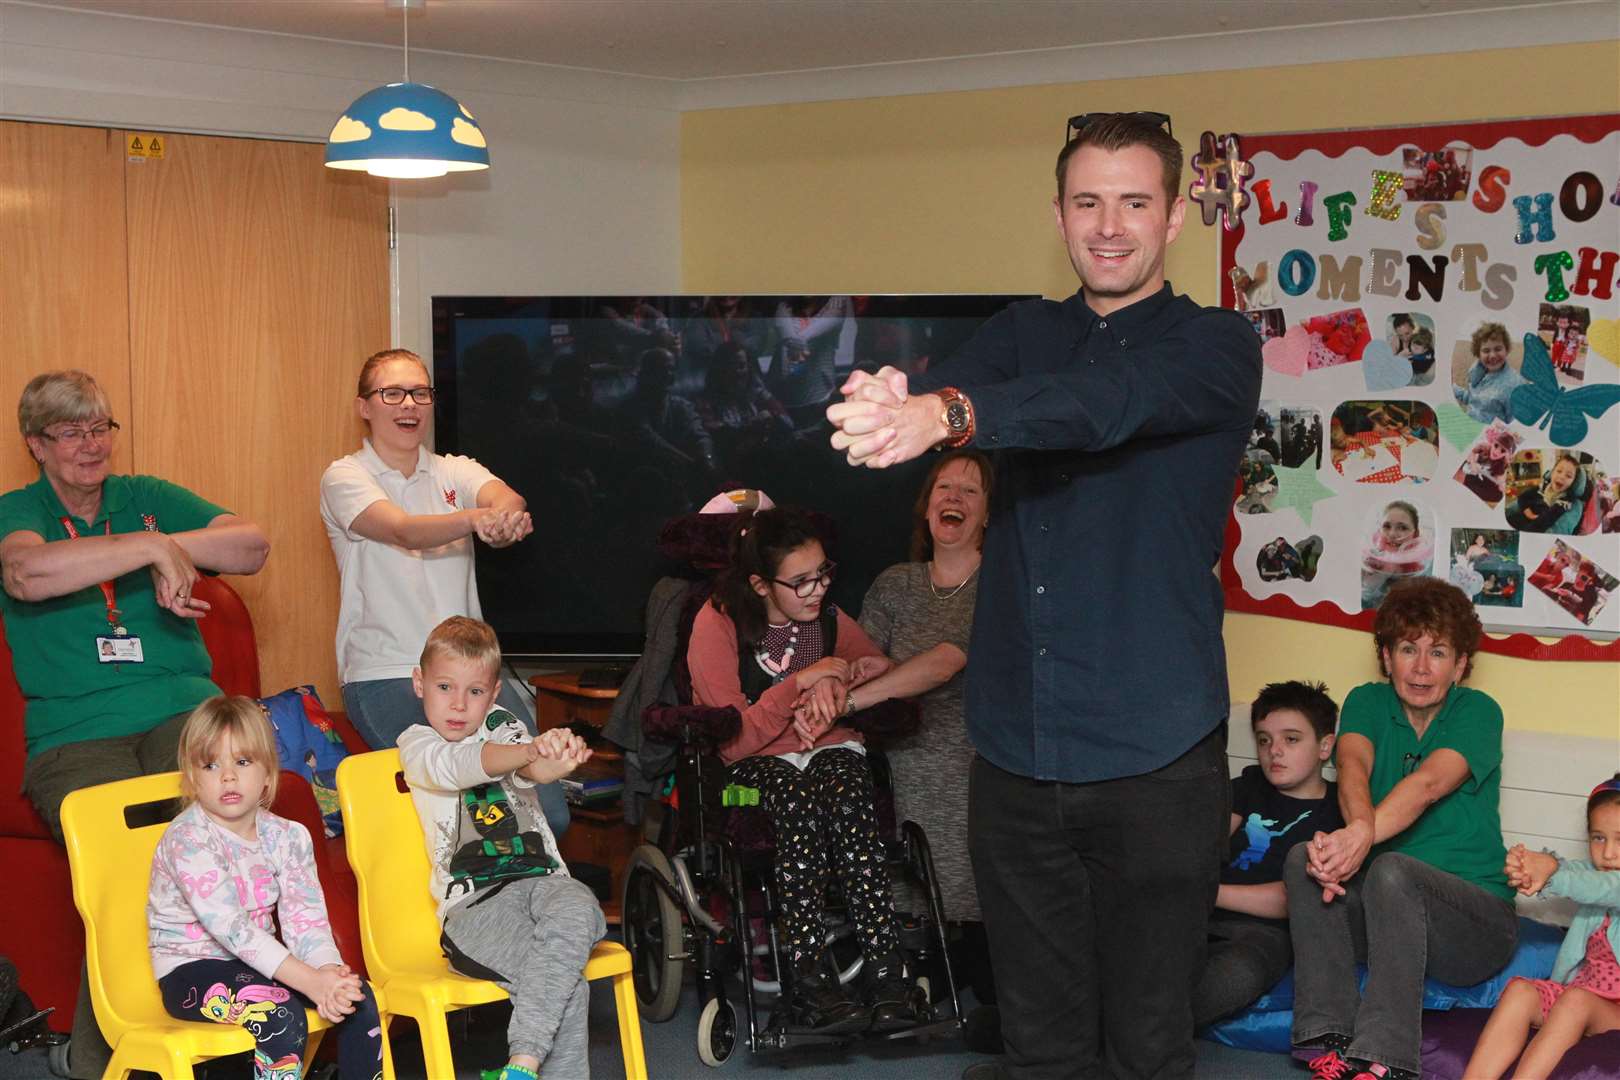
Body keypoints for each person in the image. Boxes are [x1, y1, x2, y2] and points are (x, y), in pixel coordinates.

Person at [826, 112, 1263, 1079]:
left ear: (1174, 217)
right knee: (1040, 1049)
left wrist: (952, 413)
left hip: (1157, 757)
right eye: (1088, 202)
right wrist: (899, 395)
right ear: (1058, 214)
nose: (1110, 226)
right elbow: (957, 388)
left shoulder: (1218, 345)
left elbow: (1099, 409)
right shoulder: (1025, 331)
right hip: (1017, 758)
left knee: (1147, 1047)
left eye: (1135, 203)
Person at [0, 369, 270, 1080]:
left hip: (180, 711)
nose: (90, 445)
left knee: (217, 833)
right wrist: (151, 551)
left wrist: (167, 537)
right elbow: (28, 575)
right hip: (76, 736)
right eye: (70, 432)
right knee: (128, 866)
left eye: (100, 428)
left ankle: (222, 1040)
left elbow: (250, 545)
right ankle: (110, 1061)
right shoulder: (16, 511)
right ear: (37, 444)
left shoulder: (144, 498)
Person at [685, 505, 926, 1034]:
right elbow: (735, 743)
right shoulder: (717, 623)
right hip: (741, 785)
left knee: (848, 793)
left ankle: (888, 975)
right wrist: (798, 683)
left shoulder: (829, 618)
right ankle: (811, 981)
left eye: (823, 574)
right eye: (800, 582)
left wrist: (836, 681)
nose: (817, 590)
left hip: (827, 750)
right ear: (760, 584)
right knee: (795, 801)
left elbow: (875, 663)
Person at [319, 348, 568, 835]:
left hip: (470, 673)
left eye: (420, 392)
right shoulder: (346, 476)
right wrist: (478, 520)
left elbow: (505, 497)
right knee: (456, 820)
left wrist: (504, 519)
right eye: (391, 393)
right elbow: (406, 530)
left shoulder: (454, 469)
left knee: (549, 815)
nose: (408, 404)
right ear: (364, 407)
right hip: (387, 673)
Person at [1287, 578, 1518, 1080]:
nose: (1420, 667)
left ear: (1459, 665)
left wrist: (1359, 838)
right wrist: (1342, 847)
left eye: (1437, 652)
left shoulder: (1478, 712)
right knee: (1302, 857)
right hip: (1384, 918)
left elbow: (1430, 783)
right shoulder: (1367, 703)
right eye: (1408, 649)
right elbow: (1351, 769)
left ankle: (1386, 1060)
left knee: (1392, 870)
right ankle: (1328, 1038)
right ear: (1387, 656)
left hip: (1474, 923)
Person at [398, 617, 601, 1080]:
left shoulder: (502, 725)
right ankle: (525, 1064)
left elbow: (534, 774)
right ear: (419, 683)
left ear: (493, 696)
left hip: (542, 882)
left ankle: (520, 1066)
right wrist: (530, 752)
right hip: (474, 905)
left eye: (475, 692)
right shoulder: (417, 742)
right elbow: (467, 763)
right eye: (445, 686)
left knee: (579, 903)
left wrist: (554, 753)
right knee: (562, 982)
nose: (458, 704)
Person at [148, 696, 382, 1080]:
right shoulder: (187, 840)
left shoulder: (288, 836)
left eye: (242, 762)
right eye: (211, 765)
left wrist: (327, 974)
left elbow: (305, 920)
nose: (227, 776)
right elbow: (233, 930)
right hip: (189, 970)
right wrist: (309, 981)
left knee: (358, 997)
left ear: (268, 775)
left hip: (255, 965)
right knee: (279, 1014)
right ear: (191, 778)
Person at [854, 450, 1000, 1047]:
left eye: (970, 491)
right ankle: (919, 975)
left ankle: (986, 986)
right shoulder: (896, 583)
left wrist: (855, 700)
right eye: (945, 487)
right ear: (927, 505)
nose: (955, 499)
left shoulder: (999, 583)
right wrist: (847, 678)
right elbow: (868, 656)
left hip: (979, 747)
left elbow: (947, 661)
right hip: (898, 747)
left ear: (989, 512)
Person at [1193, 681, 1342, 1029]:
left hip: (1264, 932)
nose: (1274, 751)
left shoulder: (1335, 811)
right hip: (1198, 915)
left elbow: (1292, 901)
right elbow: (1203, 845)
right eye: (1264, 740)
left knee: (1238, 974)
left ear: (1325, 746)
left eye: (1291, 739)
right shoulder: (1248, 786)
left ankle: (1141, 1034)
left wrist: (1210, 892)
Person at [1464, 775, 1620, 1079]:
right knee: (1521, 990)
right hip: (1581, 996)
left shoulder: (1604, 882)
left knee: (1575, 1001)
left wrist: (1551, 874)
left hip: (1612, 1009)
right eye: (1599, 838)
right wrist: (1531, 867)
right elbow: (1574, 870)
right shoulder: (1593, 871)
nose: (1609, 853)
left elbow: (1598, 886)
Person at [1360, 500, 1433, 611]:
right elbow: (1363, 597)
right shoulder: (1369, 562)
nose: (1392, 534)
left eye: (1402, 528)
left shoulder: (1421, 570)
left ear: (1415, 533)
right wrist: (1382, 573)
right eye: (1387, 526)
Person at [1453, 322, 1527, 425]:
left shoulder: (1516, 385)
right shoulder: (1477, 371)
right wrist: (1454, 389)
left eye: (1498, 349)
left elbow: (1516, 425)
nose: (1492, 355)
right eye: (1486, 351)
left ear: (1506, 349)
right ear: (1478, 353)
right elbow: (1473, 399)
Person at [1508, 451, 1586, 534]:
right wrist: (1527, 511)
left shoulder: (1565, 501)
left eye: (1568, 476)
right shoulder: (1543, 486)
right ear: (1552, 473)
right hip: (1523, 518)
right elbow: (1523, 496)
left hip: (1532, 529)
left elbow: (1544, 521)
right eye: (1559, 471)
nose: (1562, 476)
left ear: (1573, 482)